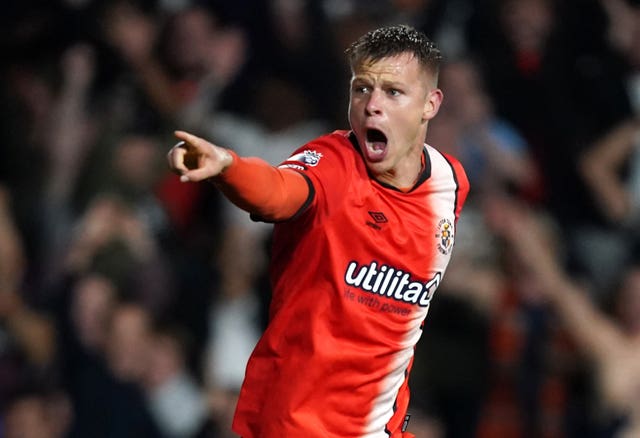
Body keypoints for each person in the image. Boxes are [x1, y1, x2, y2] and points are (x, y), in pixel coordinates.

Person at [167, 24, 469, 438]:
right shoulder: (331, 162)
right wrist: (229, 168)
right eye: (362, 89)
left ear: (430, 104)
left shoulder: (450, 184)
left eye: (393, 92)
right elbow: (277, 191)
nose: (371, 106)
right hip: (297, 425)